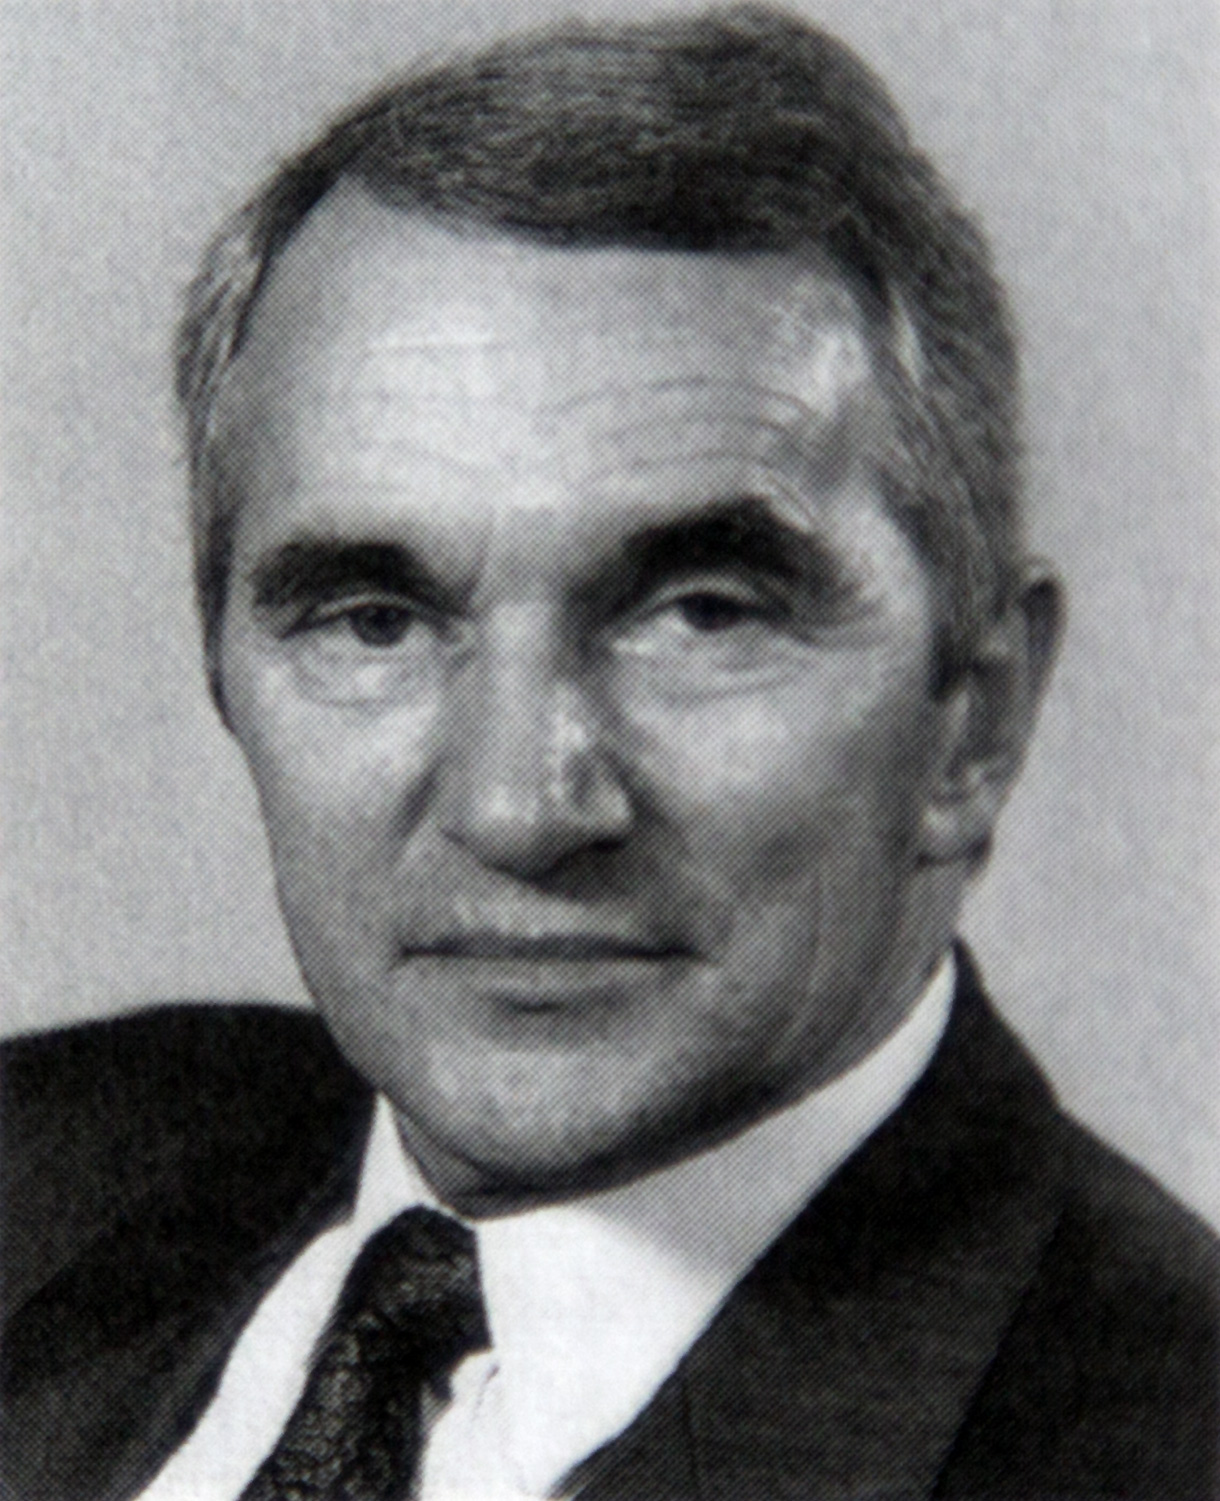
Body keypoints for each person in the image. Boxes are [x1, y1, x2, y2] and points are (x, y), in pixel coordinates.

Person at [2, 8, 1216, 1499]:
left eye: (701, 613)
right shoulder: (48, 1160)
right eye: (375, 620)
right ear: (225, 669)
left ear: (977, 715)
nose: (519, 807)